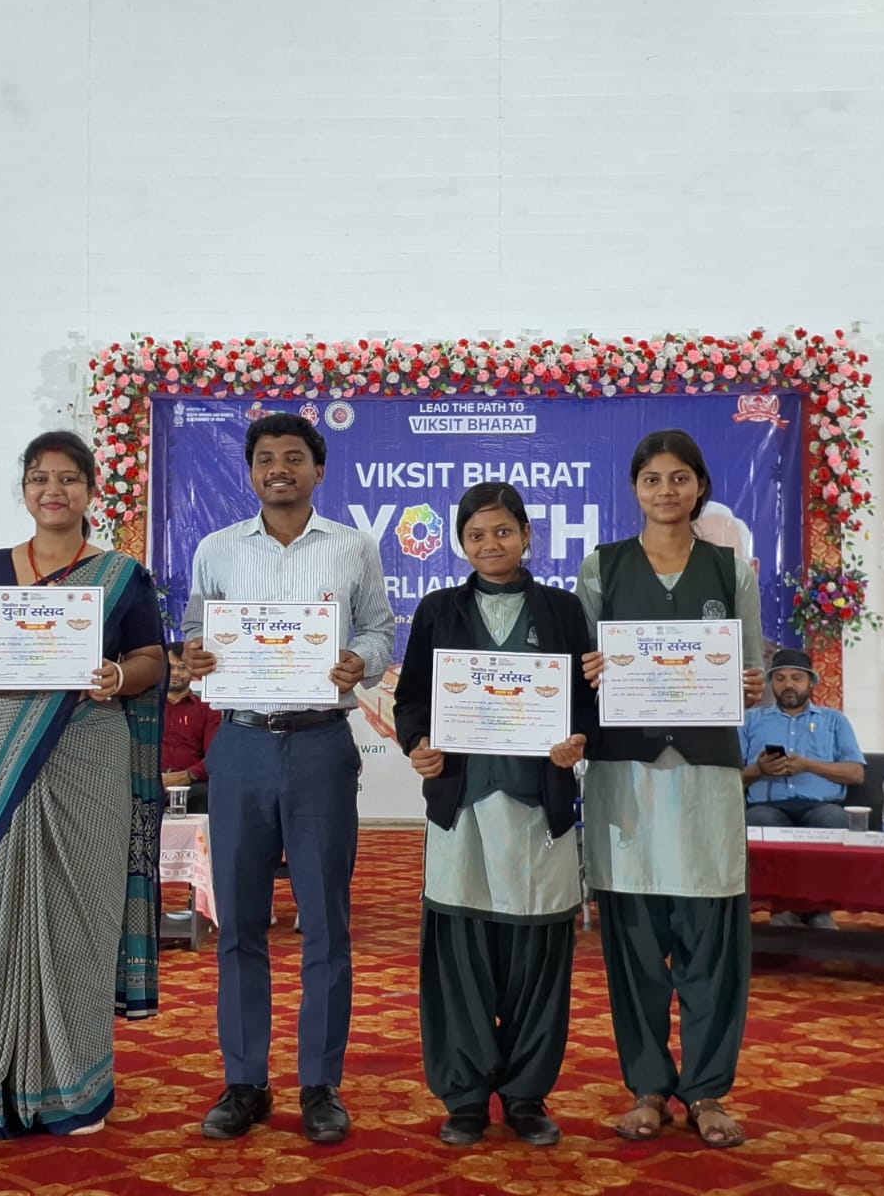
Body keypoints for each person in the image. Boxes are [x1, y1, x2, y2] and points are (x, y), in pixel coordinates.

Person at [0, 429, 166, 1139]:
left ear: (91, 490)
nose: (52, 490)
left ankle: (72, 1085)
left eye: (67, 478)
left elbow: (152, 660)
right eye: (39, 477)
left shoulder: (121, 576)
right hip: (2, 750)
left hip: (88, 751)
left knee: (81, 914)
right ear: (25, 489)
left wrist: (117, 675)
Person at [182, 412, 396, 1144]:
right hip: (240, 743)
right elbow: (196, 629)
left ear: (318, 469)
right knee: (239, 923)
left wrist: (360, 661)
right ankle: (245, 1082)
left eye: (294, 457)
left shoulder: (353, 546)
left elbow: (379, 627)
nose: (280, 468)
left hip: (319, 744)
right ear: (250, 471)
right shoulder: (216, 548)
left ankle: (319, 1085)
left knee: (326, 923)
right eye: (266, 458)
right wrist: (194, 653)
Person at [575, 428, 764, 1149]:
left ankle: (707, 1090)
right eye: (651, 479)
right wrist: (590, 672)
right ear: (635, 488)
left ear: (700, 486)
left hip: (705, 777)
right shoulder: (602, 567)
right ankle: (649, 1087)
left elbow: (749, 667)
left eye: (679, 478)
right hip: (625, 775)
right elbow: (581, 667)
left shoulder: (730, 570)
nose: (665, 491)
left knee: (710, 943)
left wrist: (747, 683)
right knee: (635, 949)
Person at [393, 483, 596, 1148]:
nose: (490, 545)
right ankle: (466, 1096)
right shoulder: (438, 610)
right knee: (462, 953)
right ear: (461, 542)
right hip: (463, 807)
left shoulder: (562, 610)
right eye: (476, 534)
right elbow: (412, 700)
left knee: (538, 954)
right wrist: (419, 744)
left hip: (539, 808)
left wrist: (577, 740)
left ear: (527, 535)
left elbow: (585, 702)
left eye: (503, 531)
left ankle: (528, 1096)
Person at [741, 647, 866, 929]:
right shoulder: (750, 721)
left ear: (811, 682)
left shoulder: (834, 720)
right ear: (771, 684)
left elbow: (856, 773)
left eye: (796, 678)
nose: (788, 684)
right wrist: (759, 770)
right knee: (758, 821)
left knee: (834, 820)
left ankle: (817, 910)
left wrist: (809, 765)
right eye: (780, 678)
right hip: (767, 806)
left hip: (820, 806)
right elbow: (730, 777)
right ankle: (782, 908)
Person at [163, 641, 221, 813]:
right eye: (170, 667)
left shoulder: (208, 709)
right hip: (148, 783)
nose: (175, 673)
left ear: (192, 671)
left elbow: (214, 756)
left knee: (208, 793)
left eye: (182, 667)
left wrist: (186, 776)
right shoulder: (146, 707)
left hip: (192, 785)